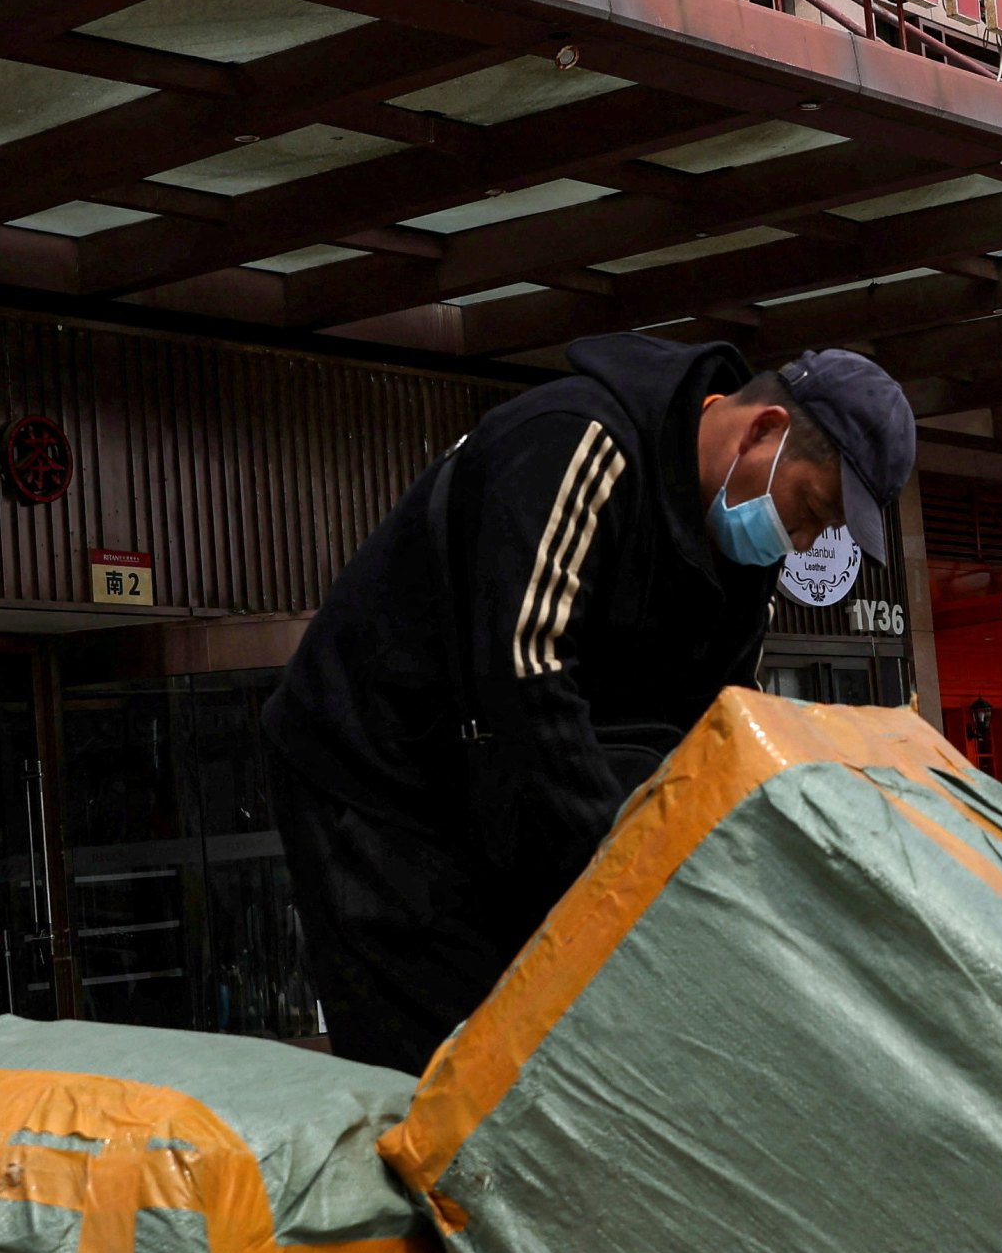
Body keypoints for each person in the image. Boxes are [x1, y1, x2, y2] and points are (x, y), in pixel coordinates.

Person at [267, 335, 914, 1073]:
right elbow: (526, 671)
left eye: (820, 533)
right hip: (374, 776)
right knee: (445, 1067)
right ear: (763, 428)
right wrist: (615, 888)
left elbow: (723, 736)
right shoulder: (578, 442)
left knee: (548, 1049)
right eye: (808, 507)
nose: (800, 540)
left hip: (498, 795)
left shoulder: (742, 566)